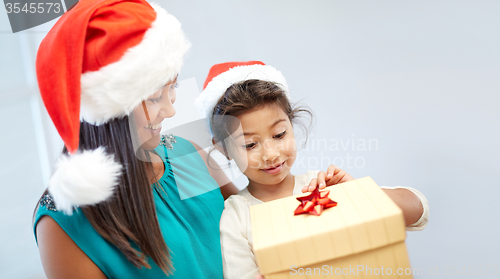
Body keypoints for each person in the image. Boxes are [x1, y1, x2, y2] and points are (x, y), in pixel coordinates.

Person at [33, 0, 238, 278]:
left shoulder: (184, 155)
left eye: (172, 87)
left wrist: (307, 190)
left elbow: (255, 220)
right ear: (105, 113)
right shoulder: (64, 224)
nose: (170, 110)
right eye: (154, 97)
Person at [194, 61, 430, 279]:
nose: (271, 154)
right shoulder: (237, 216)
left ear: (292, 125)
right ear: (223, 149)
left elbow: (419, 210)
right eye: (250, 145)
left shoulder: (325, 186)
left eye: (279, 135)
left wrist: (358, 195)